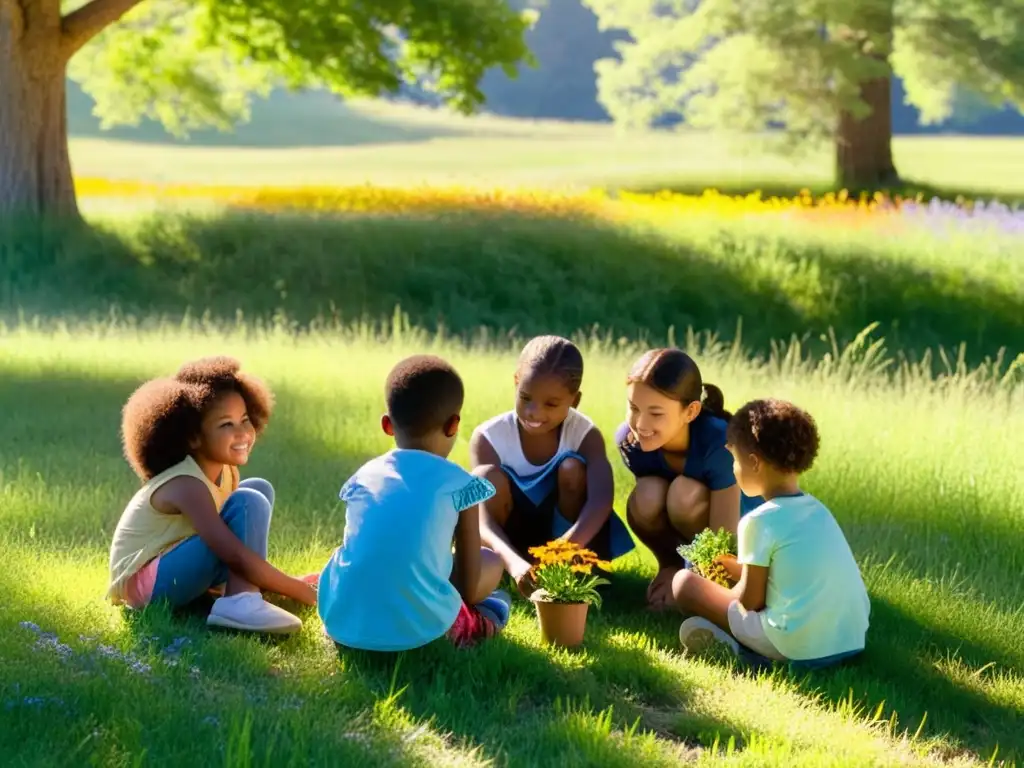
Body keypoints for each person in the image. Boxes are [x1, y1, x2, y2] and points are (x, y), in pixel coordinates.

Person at [107, 356, 315, 634]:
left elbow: (235, 550)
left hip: (178, 566)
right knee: (248, 502)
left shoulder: (226, 472)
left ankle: (243, 593)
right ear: (193, 437)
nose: (243, 433)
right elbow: (233, 553)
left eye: (244, 420)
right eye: (226, 425)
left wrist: (289, 584)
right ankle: (240, 602)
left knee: (257, 490)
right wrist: (304, 592)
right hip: (148, 588)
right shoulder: (186, 484)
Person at [318, 354, 512, 652]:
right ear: (453, 425)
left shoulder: (365, 475)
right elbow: (469, 589)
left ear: (387, 425)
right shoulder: (460, 484)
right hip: (422, 632)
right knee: (491, 562)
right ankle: (488, 617)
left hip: (344, 621)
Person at [674, 399, 870, 668]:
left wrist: (716, 589)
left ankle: (754, 658)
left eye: (734, 460)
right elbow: (791, 572)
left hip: (796, 646)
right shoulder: (818, 510)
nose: (733, 468)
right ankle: (744, 643)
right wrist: (736, 569)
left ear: (754, 463)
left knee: (685, 583)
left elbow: (750, 602)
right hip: (849, 641)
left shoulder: (758, 521)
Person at [470, 335, 635, 596]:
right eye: (526, 398)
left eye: (551, 404)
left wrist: (565, 548)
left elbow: (601, 498)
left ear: (574, 401)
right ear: (516, 381)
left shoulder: (584, 434)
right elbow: (480, 517)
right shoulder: (489, 437)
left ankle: (571, 568)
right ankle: (504, 565)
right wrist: (515, 565)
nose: (534, 412)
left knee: (572, 468)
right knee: (486, 477)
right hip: (509, 540)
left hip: (567, 538)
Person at [616, 348, 762, 610]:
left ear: (691, 412)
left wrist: (690, 586)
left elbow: (723, 540)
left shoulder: (719, 444)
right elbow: (655, 513)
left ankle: (698, 579)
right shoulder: (631, 442)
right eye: (634, 408)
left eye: (656, 413)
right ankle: (669, 566)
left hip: (745, 539)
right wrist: (673, 568)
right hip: (691, 528)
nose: (640, 423)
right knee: (647, 495)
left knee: (684, 494)